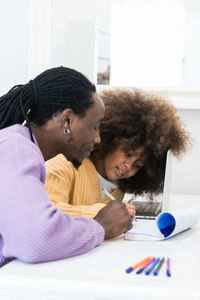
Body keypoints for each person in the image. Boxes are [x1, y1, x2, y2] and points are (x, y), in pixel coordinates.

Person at [0, 67, 133, 267]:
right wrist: (101, 226)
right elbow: (35, 239)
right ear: (67, 120)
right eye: (94, 126)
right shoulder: (16, 147)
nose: (97, 139)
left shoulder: (21, 145)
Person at [45, 88, 190, 218]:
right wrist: (103, 214)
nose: (128, 166)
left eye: (138, 165)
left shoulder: (119, 189)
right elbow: (46, 213)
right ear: (110, 139)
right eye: (128, 154)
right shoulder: (63, 164)